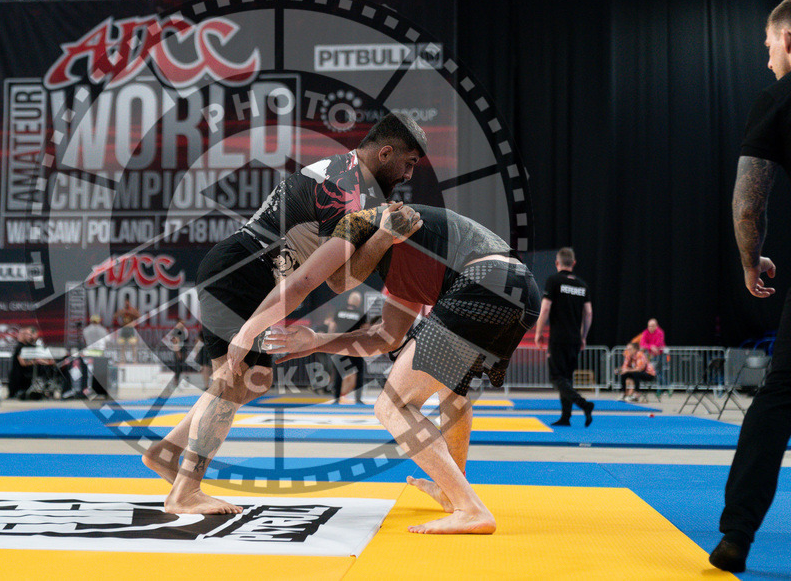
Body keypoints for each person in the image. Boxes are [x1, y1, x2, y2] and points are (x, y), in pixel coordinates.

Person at [141, 112, 427, 515]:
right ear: (385, 152)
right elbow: (324, 281)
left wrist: (381, 235)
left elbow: (343, 276)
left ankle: (167, 453)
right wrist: (382, 237)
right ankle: (184, 491)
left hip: (251, 276)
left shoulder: (358, 188)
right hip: (239, 273)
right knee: (232, 379)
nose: (409, 174)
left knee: (253, 382)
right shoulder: (343, 186)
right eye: (409, 162)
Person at [233, 202, 540, 534]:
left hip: (484, 282)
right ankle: (455, 493)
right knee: (452, 391)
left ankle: (469, 508)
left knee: (392, 405)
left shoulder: (379, 224)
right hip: (520, 289)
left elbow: (326, 281)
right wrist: (316, 340)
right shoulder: (403, 259)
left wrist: (246, 333)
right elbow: (386, 337)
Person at [709, 0, 791, 573]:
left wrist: (750, 259)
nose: (767, 62)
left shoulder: (779, 99)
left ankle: (737, 533)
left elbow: (748, 200)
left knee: (778, 400)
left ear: (788, 40)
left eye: (769, 48)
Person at [533, 247, 595, 427]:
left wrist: (538, 332)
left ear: (557, 263)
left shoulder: (554, 281)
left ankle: (584, 404)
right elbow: (589, 313)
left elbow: (545, 308)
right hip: (575, 339)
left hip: (559, 338)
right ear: (574, 263)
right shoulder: (582, 285)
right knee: (567, 378)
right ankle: (566, 417)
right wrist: (583, 336)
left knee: (556, 378)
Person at [324, 290, 368, 404]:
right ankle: (358, 399)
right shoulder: (361, 313)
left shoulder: (339, 311)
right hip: (355, 347)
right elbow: (365, 331)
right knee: (359, 372)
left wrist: (329, 343)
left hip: (341, 346)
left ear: (349, 300)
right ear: (358, 302)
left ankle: (336, 398)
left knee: (338, 373)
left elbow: (332, 327)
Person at [113, 297, 141, 362]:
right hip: (124, 328)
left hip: (131, 328)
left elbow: (139, 317)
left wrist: (131, 313)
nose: (126, 304)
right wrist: (121, 313)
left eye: (127, 303)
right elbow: (114, 316)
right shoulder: (122, 310)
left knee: (133, 345)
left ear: (129, 303)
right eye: (125, 303)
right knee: (123, 345)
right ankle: (123, 360)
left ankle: (134, 360)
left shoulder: (133, 310)